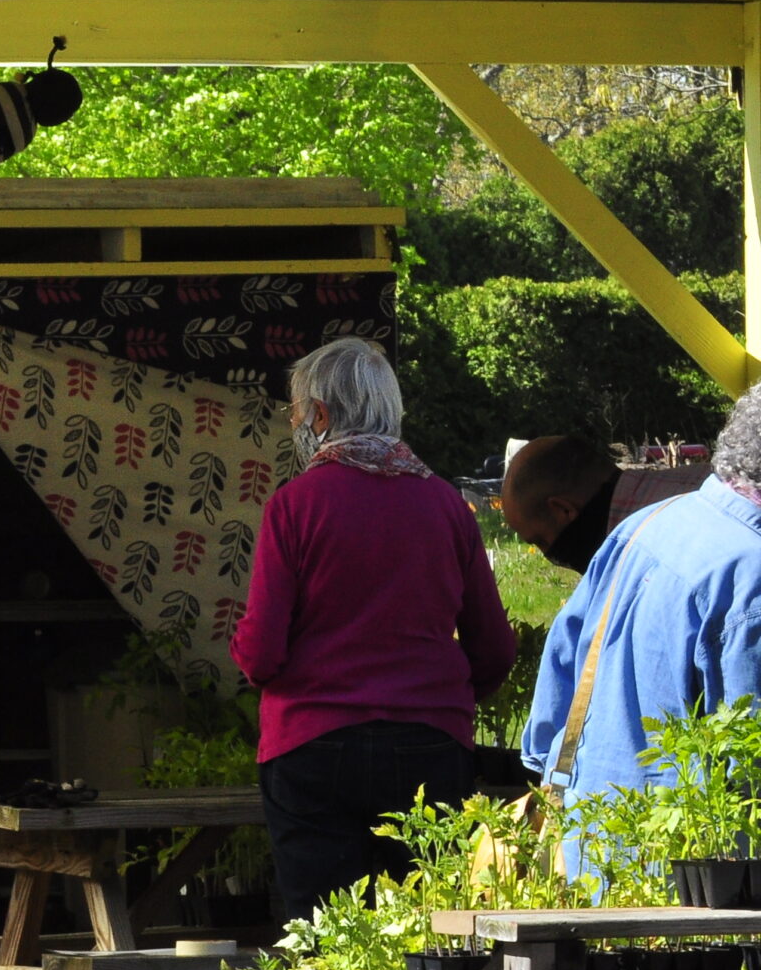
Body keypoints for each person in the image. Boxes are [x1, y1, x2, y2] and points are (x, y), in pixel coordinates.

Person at [232, 337, 516, 922]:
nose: (295, 422)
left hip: (312, 746)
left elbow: (261, 653)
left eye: (296, 410)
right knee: (426, 931)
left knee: (323, 934)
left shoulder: (296, 504)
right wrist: (443, 702)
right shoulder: (445, 506)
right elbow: (494, 649)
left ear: (321, 415)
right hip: (430, 747)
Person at [523, 385, 761, 804]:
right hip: (692, 862)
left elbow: (549, 719)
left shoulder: (647, 523)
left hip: (591, 842)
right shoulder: (751, 574)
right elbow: (750, 776)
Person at [501, 434, 706, 573]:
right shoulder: (708, 481)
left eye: (540, 541)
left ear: (563, 509)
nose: (548, 555)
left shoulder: (645, 558)